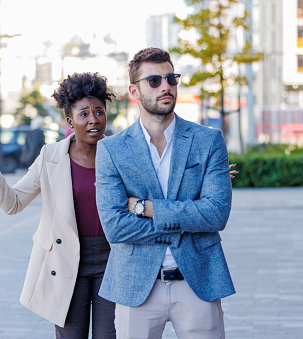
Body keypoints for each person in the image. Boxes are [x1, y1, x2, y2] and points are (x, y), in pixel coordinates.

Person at [0, 72, 117, 339]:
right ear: (69, 120)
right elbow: (14, 203)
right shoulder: (50, 156)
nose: (93, 119)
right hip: (67, 258)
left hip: (113, 260)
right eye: (84, 114)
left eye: (99, 112)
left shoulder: (118, 155)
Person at [95, 47, 235, 339]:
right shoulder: (111, 149)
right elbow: (115, 227)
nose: (166, 86)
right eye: (154, 80)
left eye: (171, 78)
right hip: (136, 287)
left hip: (197, 282)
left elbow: (216, 213)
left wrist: (144, 208)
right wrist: (186, 222)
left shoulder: (208, 141)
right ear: (134, 90)